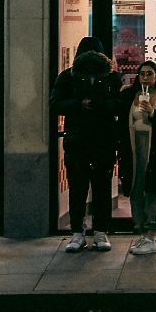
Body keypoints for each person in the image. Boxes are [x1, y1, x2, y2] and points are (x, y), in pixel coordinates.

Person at [50, 35, 121, 253]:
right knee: (87, 187)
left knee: (88, 188)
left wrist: (94, 104)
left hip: (91, 139)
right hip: (89, 140)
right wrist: (82, 104)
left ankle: (89, 232)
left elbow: (118, 104)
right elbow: (56, 104)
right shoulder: (70, 77)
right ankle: (87, 232)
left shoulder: (107, 78)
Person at [117, 60, 156, 256]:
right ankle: (142, 233)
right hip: (134, 151)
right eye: (142, 74)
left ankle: (151, 235)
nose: (145, 77)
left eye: (149, 74)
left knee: (152, 193)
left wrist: (153, 113)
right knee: (136, 191)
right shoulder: (128, 96)